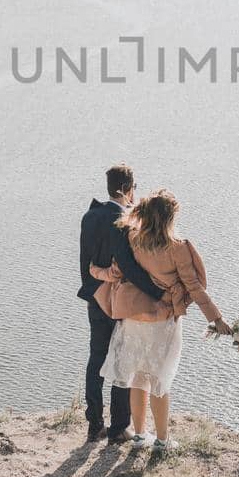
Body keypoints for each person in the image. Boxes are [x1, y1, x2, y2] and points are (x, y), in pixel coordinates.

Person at [95, 188, 231, 453]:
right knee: (159, 380)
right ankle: (161, 440)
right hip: (161, 321)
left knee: (137, 377)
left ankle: (138, 436)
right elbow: (195, 288)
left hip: (134, 318)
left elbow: (122, 270)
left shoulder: (134, 239)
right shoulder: (176, 248)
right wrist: (216, 318)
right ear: (169, 218)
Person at [77, 164, 167, 443]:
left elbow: (84, 261)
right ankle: (118, 428)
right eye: (134, 188)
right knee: (120, 364)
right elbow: (128, 265)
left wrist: (93, 286)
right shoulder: (123, 219)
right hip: (120, 302)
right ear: (127, 189)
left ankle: (94, 424)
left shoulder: (89, 216)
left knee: (96, 360)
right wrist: (156, 292)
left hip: (94, 299)